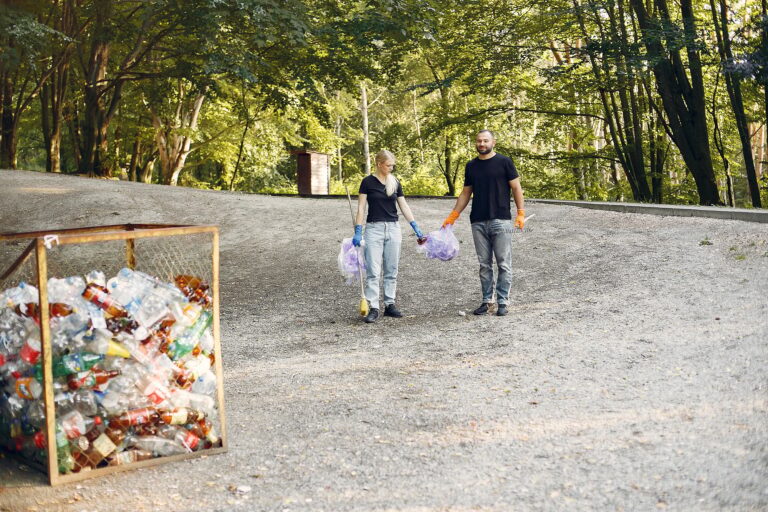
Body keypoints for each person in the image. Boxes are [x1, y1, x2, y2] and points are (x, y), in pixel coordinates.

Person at [442, 130, 525, 317]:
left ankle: (503, 302)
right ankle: (487, 301)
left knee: (503, 263)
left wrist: (520, 213)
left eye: (485, 140)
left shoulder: (505, 162)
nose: (482, 144)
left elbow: (516, 187)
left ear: (493, 142)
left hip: (501, 219)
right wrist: (453, 216)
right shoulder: (471, 166)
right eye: (479, 141)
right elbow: (465, 193)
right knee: (484, 264)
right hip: (478, 220)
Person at [352, 150, 424, 323]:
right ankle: (374, 307)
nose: (391, 168)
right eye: (388, 165)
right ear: (379, 164)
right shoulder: (367, 182)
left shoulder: (395, 182)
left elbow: (403, 205)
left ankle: (390, 304)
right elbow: (361, 208)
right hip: (374, 229)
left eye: (393, 165)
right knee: (373, 271)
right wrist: (358, 230)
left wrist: (415, 226)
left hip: (393, 228)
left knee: (392, 269)